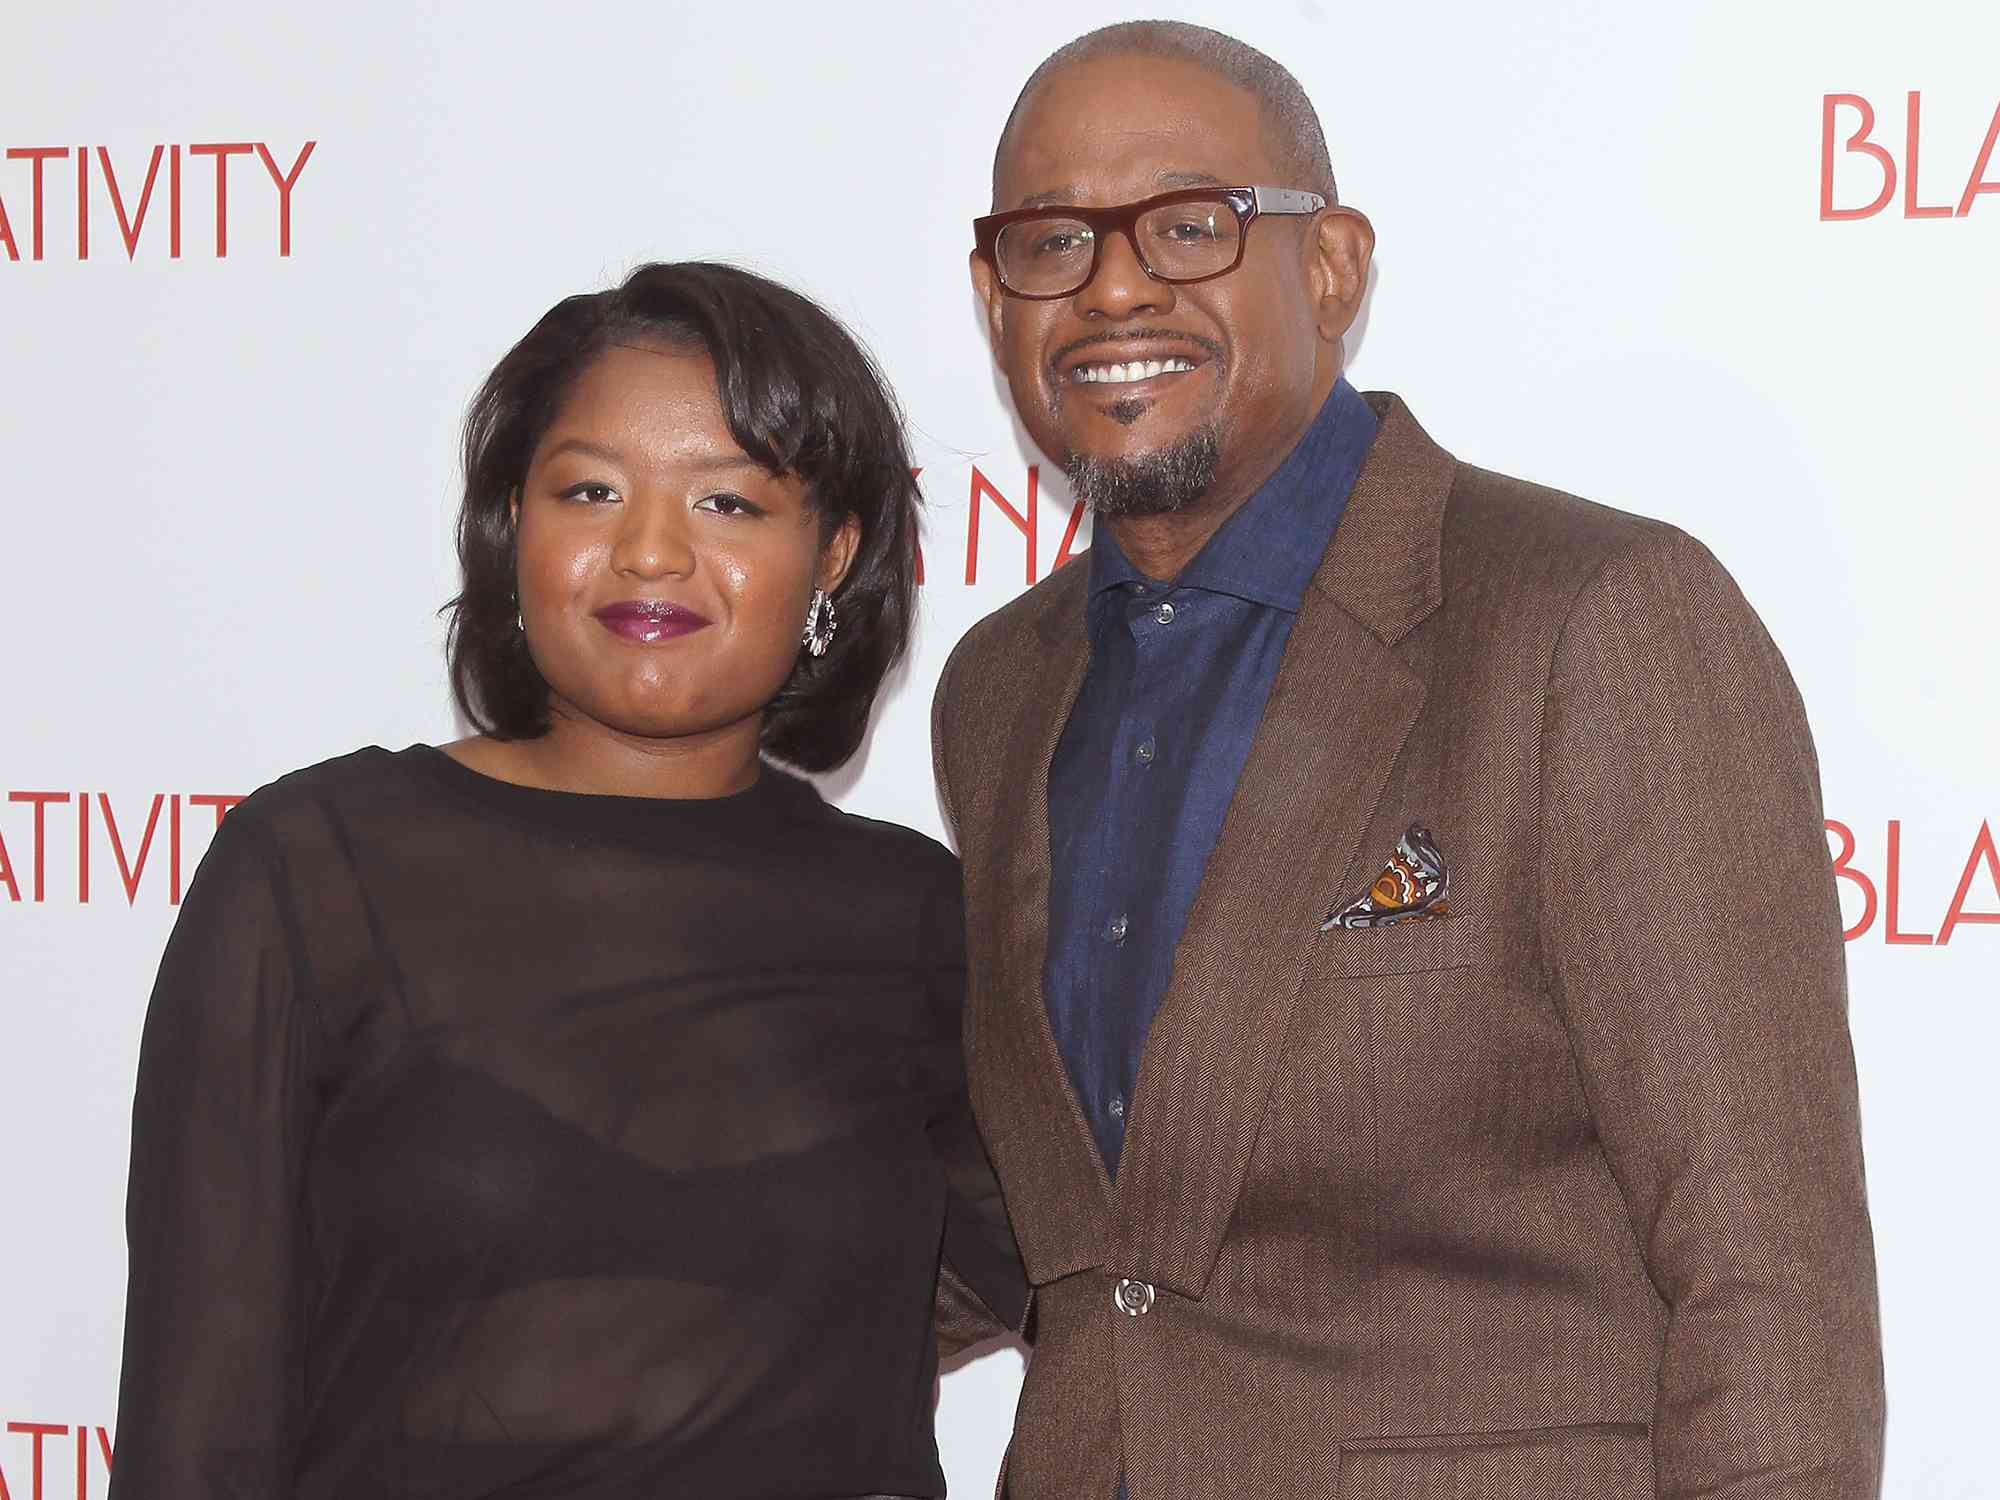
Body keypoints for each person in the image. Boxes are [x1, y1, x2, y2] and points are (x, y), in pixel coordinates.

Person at [932, 21, 1882, 1500]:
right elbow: (1056, 1216)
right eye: (1052, 240)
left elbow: (1766, 1275)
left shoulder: (1588, 618)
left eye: (1189, 225)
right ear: (994, 298)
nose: (1113, 284)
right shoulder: (996, 691)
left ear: (1331, 265)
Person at [110, 260, 1024, 1500]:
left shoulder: (919, 919)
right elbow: (197, 1424)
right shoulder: (314, 872)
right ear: (511, 529)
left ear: (833, 557)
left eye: (729, 505)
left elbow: (1098, 1286)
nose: (648, 552)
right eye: (588, 490)